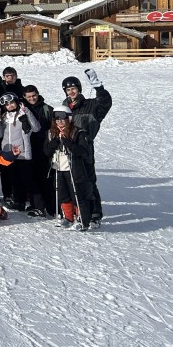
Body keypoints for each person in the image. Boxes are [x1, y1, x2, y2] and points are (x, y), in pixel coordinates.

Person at [62, 69, 111, 228]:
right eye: (68, 89)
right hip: (69, 150)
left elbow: (105, 103)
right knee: (73, 182)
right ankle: (78, 211)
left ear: (79, 89)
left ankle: (95, 214)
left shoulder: (90, 105)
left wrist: (98, 87)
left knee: (89, 181)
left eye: (74, 88)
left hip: (85, 149)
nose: (71, 91)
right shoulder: (64, 108)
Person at [44, 105, 94, 231]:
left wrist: (68, 143)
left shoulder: (78, 132)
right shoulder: (51, 133)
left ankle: (82, 220)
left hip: (74, 169)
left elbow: (83, 152)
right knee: (63, 195)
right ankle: (68, 217)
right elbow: (46, 151)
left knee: (77, 195)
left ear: (69, 119)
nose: (60, 122)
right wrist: (54, 143)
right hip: (58, 168)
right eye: (57, 119)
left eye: (63, 119)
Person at [0, 92, 40, 211]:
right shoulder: (4, 117)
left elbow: (36, 128)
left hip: (22, 152)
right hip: (9, 153)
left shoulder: (23, 112)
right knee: (15, 180)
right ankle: (20, 202)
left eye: (12, 103)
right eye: (7, 104)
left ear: (17, 102)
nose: (10, 106)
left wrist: (27, 114)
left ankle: (37, 206)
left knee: (28, 180)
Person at [22, 85, 54, 217]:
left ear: (38, 94)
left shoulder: (47, 109)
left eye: (34, 95)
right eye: (28, 97)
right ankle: (38, 206)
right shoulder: (22, 108)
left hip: (43, 147)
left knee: (45, 178)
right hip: (27, 147)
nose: (32, 98)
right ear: (24, 97)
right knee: (32, 178)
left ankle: (52, 206)